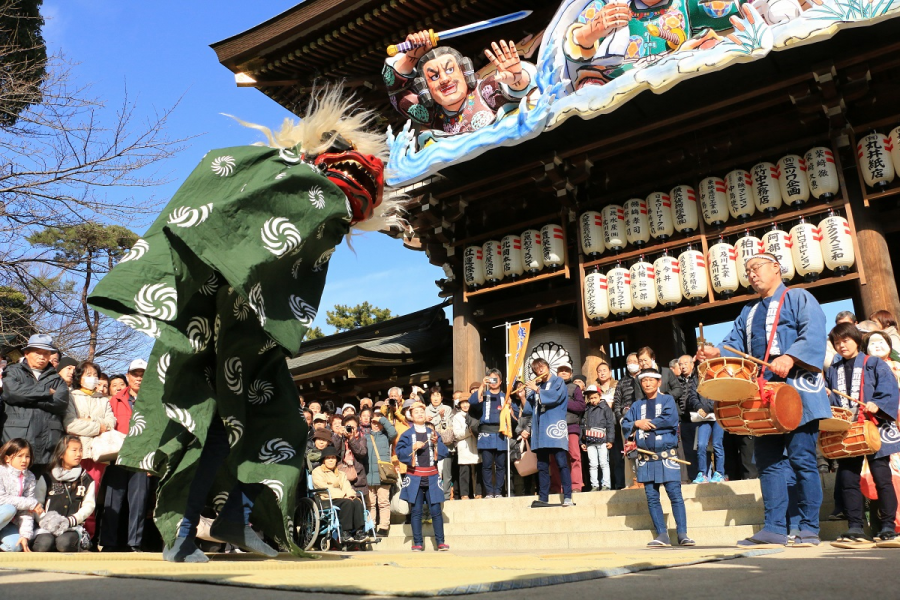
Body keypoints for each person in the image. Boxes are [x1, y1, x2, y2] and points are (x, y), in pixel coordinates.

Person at [697, 252, 831, 548]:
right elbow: (734, 345)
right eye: (747, 271)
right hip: (764, 392)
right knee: (768, 460)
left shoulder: (799, 297)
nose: (751, 274)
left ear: (776, 268)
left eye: (756, 267)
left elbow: (814, 334)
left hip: (798, 387)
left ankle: (808, 527)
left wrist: (790, 355)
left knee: (802, 460)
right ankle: (774, 527)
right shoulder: (749, 310)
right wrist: (716, 353)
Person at [383, 31, 537, 144]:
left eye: (450, 70)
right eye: (434, 76)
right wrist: (411, 57)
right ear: (424, 88)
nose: (444, 79)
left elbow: (515, 89)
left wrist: (518, 78)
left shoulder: (484, 92)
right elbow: (397, 95)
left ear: (465, 72)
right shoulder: (432, 114)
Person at [825, 322, 900, 547]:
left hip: (874, 427)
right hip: (847, 429)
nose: (841, 346)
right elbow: (833, 402)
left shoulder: (874, 363)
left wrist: (877, 403)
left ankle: (888, 526)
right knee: (848, 478)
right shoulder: (833, 369)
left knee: (882, 477)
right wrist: (827, 396)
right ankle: (855, 526)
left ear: (856, 340)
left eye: (845, 340)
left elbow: (889, 390)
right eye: (837, 342)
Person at [622, 369, 695, 547]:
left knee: (675, 494)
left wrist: (645, 425)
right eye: (644, 380)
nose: (647, 383)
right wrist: (636, 423)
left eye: (651, 380)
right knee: (652, 496)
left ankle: (682, 533)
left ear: (659, 382)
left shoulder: (667, 399)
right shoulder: (637, 405)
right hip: (646, 457)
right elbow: (625, 423)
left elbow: (670, 419)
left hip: (667, 455)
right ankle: (662, 534)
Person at [100, 358, 151, 553]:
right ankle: (109, 542)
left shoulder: (154, 401)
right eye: (135, 375)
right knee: (113, 500)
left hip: (141, 458)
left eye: (143, 375)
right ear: (128, 376)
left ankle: (134, 543)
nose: (139, 379)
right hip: (117, 456)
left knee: (138, 503)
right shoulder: (114, 400)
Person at [0, 334, 69, 475]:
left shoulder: (57, 379)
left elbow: (61, 403)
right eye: (38, 352)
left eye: (46, 353)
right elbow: (12, 393)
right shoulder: (13, 371)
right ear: (27, 353)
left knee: (40, 490)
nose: (42, 357)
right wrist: (46, 392)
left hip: (47, 444)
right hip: (16, 438)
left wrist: (27, 397)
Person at [63, 360, 115, 538]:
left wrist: (88, 422)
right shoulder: (71, 396)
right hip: (76, 453)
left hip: (98, 454)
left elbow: (111, 423)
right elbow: (70, 424)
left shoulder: (103, 400)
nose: (92, 379)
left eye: (95, 375)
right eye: (88, 375)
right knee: (72, 495)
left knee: (91, 496)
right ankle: (68, 533)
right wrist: (97, 426)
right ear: (79, 378)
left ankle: (89, 536)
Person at [395, 402, 450, 551]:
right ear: (411, 416)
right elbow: (399, 453)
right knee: (416, 511)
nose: (419, 414)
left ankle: (440, 542)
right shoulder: (406, 434)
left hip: (432, 475)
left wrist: (436, 444)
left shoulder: (433, 433)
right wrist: (412, 447)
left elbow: (444, 452)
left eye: (422, 411)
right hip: (415, 476)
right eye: (416, 412)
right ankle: (418, 542)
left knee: (436, 510)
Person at [31, 435, 96, 552]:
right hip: (47, 526)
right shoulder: (47, 477)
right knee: (44, 544)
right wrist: (46, 521)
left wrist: (70, 520)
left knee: (64, 544)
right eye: (74, 450)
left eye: (80, 450)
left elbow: (89, 506)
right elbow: (37, 503)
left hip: (72, 527)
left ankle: (78, 544)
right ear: (61, 454)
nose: (78, 454)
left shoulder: (86, 480)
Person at [526, 358, 573, 507]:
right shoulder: (538, 385)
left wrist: (538, 390)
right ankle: (543, 497)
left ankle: (568, 496)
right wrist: (521, 396)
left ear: (547, 367)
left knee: (561, 463)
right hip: (540, 430)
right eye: (536, 369)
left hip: (554, 428)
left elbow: (555, 397)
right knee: (542, 465)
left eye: (542, 367)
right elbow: (528, 408)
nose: (540, 371)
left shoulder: (558, 381)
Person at [311, 447, 369, 544]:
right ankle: (345, 533)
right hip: (326, 498)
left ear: (336, 460)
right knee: (347, 503)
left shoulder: (341, 473)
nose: (330, 460)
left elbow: (347, 486)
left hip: (343, 498)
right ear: (324, 460)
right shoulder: (317, 472)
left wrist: (350, 495)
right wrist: (343, 495)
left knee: (356, 501)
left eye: (333, 458)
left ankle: (359, 532)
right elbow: (323, 487)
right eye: (328, 458)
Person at [469, 369, 509, 498]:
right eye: (490, 379)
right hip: (486, 433)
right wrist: (482, 385)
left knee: (500, 465)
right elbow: (472, 402)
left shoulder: (505, 396)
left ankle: (498, 491)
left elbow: (513, 416)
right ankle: (489, 492)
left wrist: (510, 406)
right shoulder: (483, 395)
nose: (493, 382)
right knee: (486, 465)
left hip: (501, 433)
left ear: (501, 381)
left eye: (495, 379)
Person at [0, 438, 42, 552]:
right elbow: (1, 499)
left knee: (16, 546)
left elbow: (27, 511)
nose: (24, 460)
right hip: (2, 514)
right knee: (10, 509)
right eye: (19, 456)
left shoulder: (30, 477)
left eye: (27, 456)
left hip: (8, 524)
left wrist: (25, 535)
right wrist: (32, 503)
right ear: (7, 458)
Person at [686, 364, 726, 483]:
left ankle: (719, 473)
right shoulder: (695, 380)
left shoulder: (718, 378)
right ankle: (702, 473)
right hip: (703, 418)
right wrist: (699, 407)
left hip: (717, 416)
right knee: (701, 444)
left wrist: (706, 408)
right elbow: (692, 396)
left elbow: (719, 396)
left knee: (717, 444)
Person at [365, 412, 397, 537]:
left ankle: (383, 527)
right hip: (369, 474)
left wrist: (382, 419)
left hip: (383, 474)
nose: (377, 425)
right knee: (370, 503)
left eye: (379, 423)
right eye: (374, 422)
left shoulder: (386, 436)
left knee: (383, 502)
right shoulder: (366, 437)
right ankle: (371, 526)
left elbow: (394, 432)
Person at [613, 352, 641, 488]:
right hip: (626, 420)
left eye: (634, 361)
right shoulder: (622, 381)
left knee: (643, 448)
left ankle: (644, 479)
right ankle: (631, 482)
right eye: (629, 362)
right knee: (629, 450)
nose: (631, 364)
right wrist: (620, 418)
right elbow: (617, 402)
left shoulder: (644, 379)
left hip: (642, 418)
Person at [557, 365, 586, 493]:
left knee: (575, 456)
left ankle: (576, 486)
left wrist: (563, 401)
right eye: (561, 371)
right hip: (555, 428)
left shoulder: (575, 388)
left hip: (571, 426)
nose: (563, 373)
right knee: (556, 459)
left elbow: (581, 406)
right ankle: (558, 487)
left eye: (566, 371)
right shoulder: (551, 387)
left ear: (571, 373)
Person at [581, 385, 615, 491]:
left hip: (603, 441)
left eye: (594, 397)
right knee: (593, 464)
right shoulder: (586, 409)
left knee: (604, 463)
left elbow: (610, 424)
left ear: (600, 396)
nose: (592, 400)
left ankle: (606, 484)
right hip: (590, 441)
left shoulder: (605, 408)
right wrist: (582, 441)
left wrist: (610, 440)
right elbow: (582, 425)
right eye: (590, 398)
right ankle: (594, 485)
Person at [452, 396, 482, 499]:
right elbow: (456, 434)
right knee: (464, 471)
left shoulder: (476, 414)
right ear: (459, 405)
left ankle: (479, 493)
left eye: (467, 402)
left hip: (476, 444)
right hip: (464, 446)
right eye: (462, 403)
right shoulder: (457, 417)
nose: (465, 405)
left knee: (479, 470)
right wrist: (469, 431)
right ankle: (464, 494)